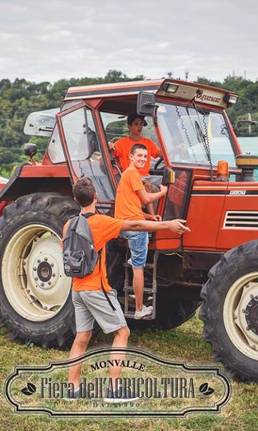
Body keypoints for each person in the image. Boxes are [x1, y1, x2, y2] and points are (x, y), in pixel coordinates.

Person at [63, 177, 189, 402]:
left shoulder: (68, 224)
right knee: (122, 332)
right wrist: (167, 225)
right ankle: (114, 389)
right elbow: (135, 225)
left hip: (77, 289)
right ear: (96, 198)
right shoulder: (101, 222)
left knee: (82, 336)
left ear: (76, 199)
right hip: (96, 289)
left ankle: (72, 388)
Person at [115, 143, 168, 319]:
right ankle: (139, 309)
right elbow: (146, 199)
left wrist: (149, 217)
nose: (143, 159)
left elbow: (132, 205)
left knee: (137, 261)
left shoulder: (130, 175)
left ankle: (133, 259)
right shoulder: (132, 174)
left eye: (145, 157)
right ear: (130, 156)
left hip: (128, 222)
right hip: (135, 228)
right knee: (139, 269)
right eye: (139, 156)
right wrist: (162, 192)